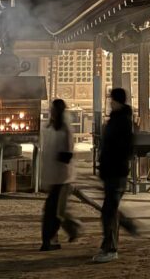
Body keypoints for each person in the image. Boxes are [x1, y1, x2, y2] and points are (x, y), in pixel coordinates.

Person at [93, 87, 134, 264]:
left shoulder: (122, 121)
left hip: (116, 172)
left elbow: (123, 148)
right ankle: (108, 245)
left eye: (112, 99)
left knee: (109, 212)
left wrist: (112, 164)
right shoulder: (116, 119)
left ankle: (110, 248)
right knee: (109, 211)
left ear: (117, 101)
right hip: (111, 171)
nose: (110, 102)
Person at [40, 99, 82, 251]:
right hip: (54, 175)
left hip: (62, 177)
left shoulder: (64, 129)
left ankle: (50, 239)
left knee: (55, 211)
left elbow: (67, 154)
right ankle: (69, 230)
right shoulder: (49, 127)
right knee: (55, 210)